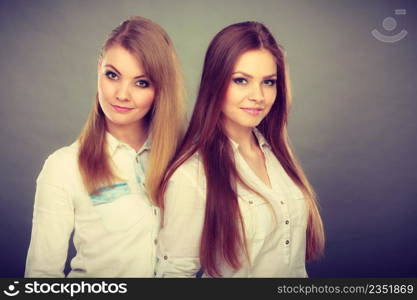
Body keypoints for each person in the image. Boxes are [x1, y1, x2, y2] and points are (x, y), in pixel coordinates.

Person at [155, 21, 324, 277]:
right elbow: (174, 274)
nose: (258, 95)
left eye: (268, 82)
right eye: (241, 80)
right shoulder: (192, 175)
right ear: (215, 83)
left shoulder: (278, 155)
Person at [25, 16, 185, 277]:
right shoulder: (63, 167)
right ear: (99, 69)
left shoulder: (183, 161)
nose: (122, 94)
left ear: (161, 89)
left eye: (141, 82)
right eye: (112, 75)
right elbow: (41, 277)